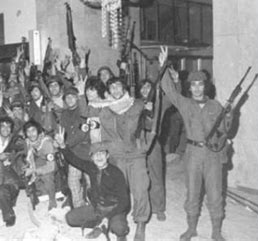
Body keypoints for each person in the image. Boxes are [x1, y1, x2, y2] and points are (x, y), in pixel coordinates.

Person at [159, 46, 231, 241]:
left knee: (215, 194)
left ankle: (216, 231)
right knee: (192, 193)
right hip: (192, 153)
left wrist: (229, 117)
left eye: (200, 84)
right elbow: (169, 90)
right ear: (189, 87)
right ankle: (191, 228)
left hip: (212, 155)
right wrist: (163, 65)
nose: (197, 88)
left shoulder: (216, 106)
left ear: (205, 86)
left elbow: (225, 132)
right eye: (193, 85)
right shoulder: (185, 103)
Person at [54, 129, 129, 241]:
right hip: (97, 208)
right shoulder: (91, 167)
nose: (99, 157)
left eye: (102, 153)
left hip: (113, 209)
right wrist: (63, 145)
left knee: (119, 228)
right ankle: (99, 224)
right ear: (92, 158)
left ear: (107, 155)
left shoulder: (116, 173)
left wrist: (108, 217)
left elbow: (125, 201)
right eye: (95, 155)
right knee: (70, 219)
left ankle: (112, 227)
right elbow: (74, 160)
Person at [98, 77, 149, 241]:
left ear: (125, 88)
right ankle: (121, 226)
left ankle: (141, 223)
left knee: (140, 189)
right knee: (119, 192)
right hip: (117, 155)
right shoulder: (105, 110)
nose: (115, 90)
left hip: (136, 154)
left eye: (118, 86)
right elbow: (104, 137)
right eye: (112, 87)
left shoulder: (138, 104)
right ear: (108, 91)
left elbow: (158, 108)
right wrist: (105, 158)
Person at [138, 79, 166, 221]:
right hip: (138, 141)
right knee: (141, 177)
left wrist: (152, 109)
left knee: (156, 175)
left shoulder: (159, 103)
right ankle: (143, 208)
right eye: (142, 88)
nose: (145, 90)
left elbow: (173, 99)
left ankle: (159, 208)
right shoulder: (136, 104)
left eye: (148, 87)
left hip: (153, 141)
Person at [60, 86, 91, 208]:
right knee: (73, 181)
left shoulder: (83, 110)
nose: (69, 100)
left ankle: (93, 205)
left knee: (90, 181)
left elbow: (83, 133)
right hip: (73, 152)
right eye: (67, 97)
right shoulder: (64, 114)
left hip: (86, 150)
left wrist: (65, 145)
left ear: (77, 98)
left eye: (72, 97)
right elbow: (62, 131)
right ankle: (79, 206)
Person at [23, 119, 57, 210]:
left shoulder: (46, 143)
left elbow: (51, 167)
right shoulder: (28, 142)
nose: (31, 134)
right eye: (28, 131)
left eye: (33, 130)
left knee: (47, 176)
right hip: (41, 160)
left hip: (54, 163)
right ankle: (35, 192)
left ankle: (52, 200)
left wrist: (34, 170)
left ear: (38, 131)